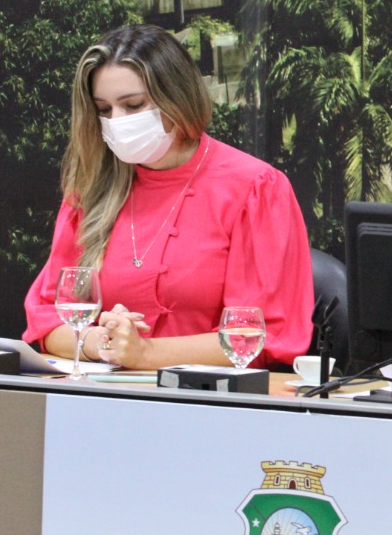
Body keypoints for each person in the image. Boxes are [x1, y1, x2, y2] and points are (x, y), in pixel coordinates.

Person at [24, 24, 313, 369]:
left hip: (209, 397)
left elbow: (261, 336)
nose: (116, 121)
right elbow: (46, 320)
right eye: (103, 110)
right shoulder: (91, 189)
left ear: (177, 97)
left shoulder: (254, 187)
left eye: (132, 105)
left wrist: (144, 353)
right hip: (107, 393)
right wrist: (102, 342)